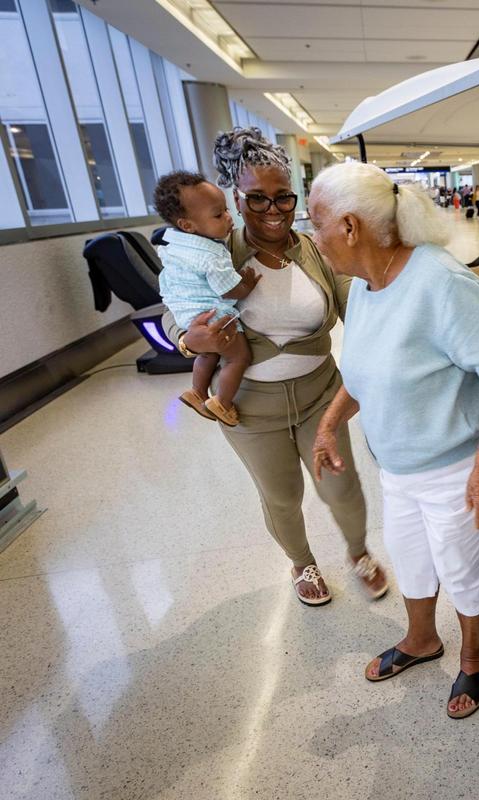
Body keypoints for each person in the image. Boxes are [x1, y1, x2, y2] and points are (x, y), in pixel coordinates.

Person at [308, 162, 479, 720]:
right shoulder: (364, 288)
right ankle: (422, 639)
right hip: (397, 467)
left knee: (461, 567)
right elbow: (362, 374)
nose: (313, 235)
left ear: (350, 227)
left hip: (454, 468)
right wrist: (330, 423)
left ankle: (474, 655)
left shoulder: (441, 283)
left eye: (317, 221)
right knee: (411, 558)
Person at [163, 127, 388, 607]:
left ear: (296, 197)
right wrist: (186, 339)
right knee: (282, 495)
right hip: (248, 409)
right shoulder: (215, 252)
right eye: (257, 199)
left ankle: (358, 551)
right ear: (236, 199)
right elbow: (172, 306)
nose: (273, 211)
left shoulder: (317, 249)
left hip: (320, 398)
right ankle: (301, 561)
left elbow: (356, 298)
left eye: (283, 198)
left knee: (342, 487)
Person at [154, 171, 258, 426]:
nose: (228, 218)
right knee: (238, 357)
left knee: (209, 354)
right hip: (214, 316)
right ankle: (222, 401)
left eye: (226, 210)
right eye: (218, 214)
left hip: (188, 311)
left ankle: (197, 391)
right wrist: (247, 284)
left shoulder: (175, 243)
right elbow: (229, 290)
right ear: (187, 224)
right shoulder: (212, 253)